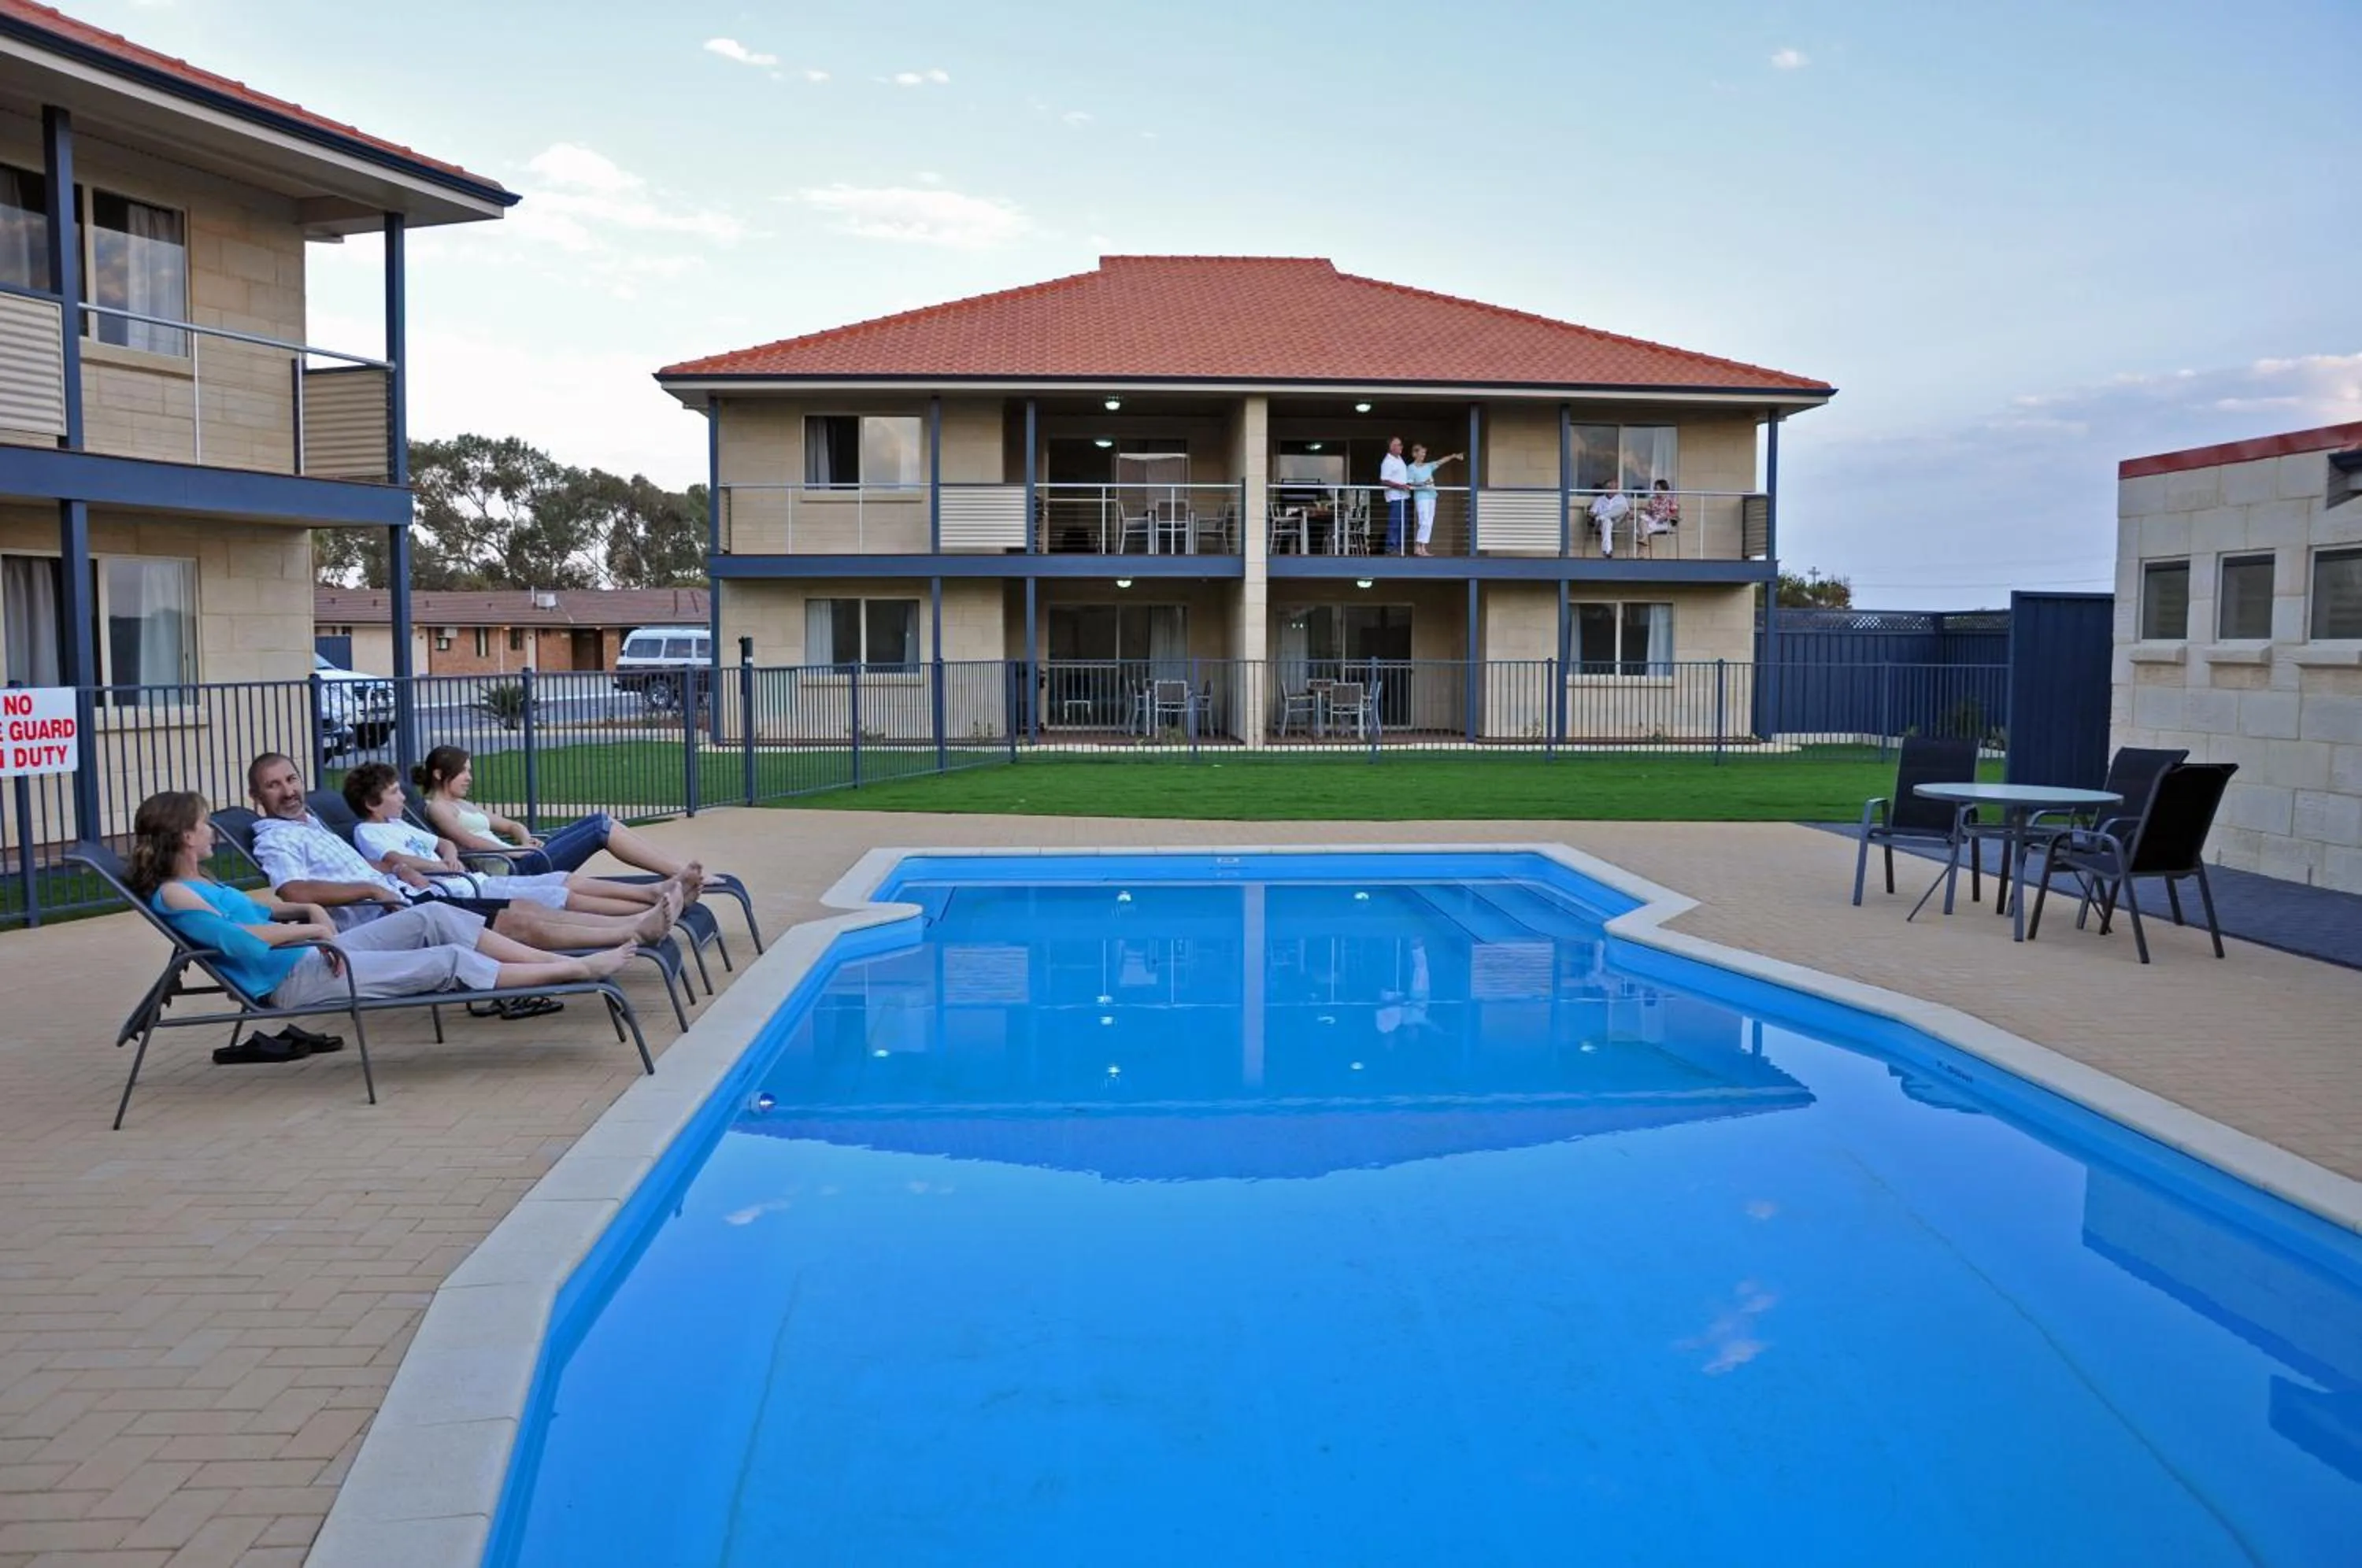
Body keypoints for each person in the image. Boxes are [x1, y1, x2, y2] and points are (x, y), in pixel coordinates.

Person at [128, 790, 632, 1025]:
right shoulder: (175, 893)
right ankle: (579, 969)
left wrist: (312, 919)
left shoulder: (196, 881)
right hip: (293, 978)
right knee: (449, 960)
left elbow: (263, 917)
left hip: (312, 953)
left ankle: (572, 964)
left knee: (436, 916)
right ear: (183, 836)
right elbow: (242, 942)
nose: (212, 831)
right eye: (203, 824)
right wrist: (311, 932)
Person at [243, 753, 679, 950]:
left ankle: (633, 923)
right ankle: (631, 931)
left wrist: (391, 867)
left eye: (292, 779)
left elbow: (362, 865)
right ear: (256, 796)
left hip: (414, 894)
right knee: (518, 920)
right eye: (274, 785)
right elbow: (294, 892)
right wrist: (376, 890)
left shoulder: (308, 823)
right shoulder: (274, 837)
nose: (288, 790)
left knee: (524, 907)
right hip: (388, 915)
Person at [341, 764, 686, 916]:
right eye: (393, 793)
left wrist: (445, 854)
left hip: (487, 873)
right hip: (488, 878)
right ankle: (650, 909)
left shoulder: (400, 824)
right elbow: (395, 862)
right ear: (372, 804)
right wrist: (442, 864)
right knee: (563, 890)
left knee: (568, 878)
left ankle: (655, 893)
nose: (402, 798)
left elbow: (443, 844)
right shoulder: (369, 832)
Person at [412, 745, 702, 885]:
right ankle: (677, 872)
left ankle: (675, 869)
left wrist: (524, 839)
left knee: (600, 819)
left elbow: (513, 824)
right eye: (463, 772)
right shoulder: (437, 808)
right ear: (439, 774)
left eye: (469, 771)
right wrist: (518, 852)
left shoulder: (465, 805)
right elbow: (470, 844)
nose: (469, 778)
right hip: (515, 871)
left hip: (523, 857)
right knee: (600, 828)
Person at [1405, 445, 1463, 558]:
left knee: (1429, 522)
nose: (1423, 455)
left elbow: (1441, 461)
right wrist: (1423, 484)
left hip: (1432, 496)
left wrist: (1453, 456)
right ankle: (1418, 546)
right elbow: (1410, 483)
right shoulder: (1411, 468)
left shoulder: (1428, 466)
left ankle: (1423, 547)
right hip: (1421, 497)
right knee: (1424, 521)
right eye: (1421, 453)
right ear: (1414, 454)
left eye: (1424, 453)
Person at [1378, 436, 1413, 555]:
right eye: (1399, 444)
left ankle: (1399, 548)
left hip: (1404, 496)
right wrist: (1400, 486)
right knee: (1395, 523)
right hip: (1395, 497)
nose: (1401, 447)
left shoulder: (1399, 459)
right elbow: (1384, 480)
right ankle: (1391, 548)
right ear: (1392, 447)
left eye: (1401, 444)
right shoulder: (1387, 461)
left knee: (1405, 524)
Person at [1589, 485, 1631, 557]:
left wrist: (1630, 516)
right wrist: (1591, 515)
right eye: (1609, 488)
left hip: (1617, 523)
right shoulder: (1599, 499)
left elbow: (1627, 512)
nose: (1611, 490)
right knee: (1607, 521)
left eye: (1613, 488)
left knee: (1622, 508)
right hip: (1602, 525)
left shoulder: (1621, 498)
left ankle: (1600, 517)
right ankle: (1608, 551)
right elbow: (1591, 513)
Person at [1641, 479, 1681, 543]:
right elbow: (1648, 513)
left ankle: (1643, 539)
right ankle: (1643, 539)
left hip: (1664, 523)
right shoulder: (1653, 500)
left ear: (1664, 489)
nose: (1657, 491)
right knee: (1643, 519)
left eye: (1659, 489)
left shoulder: (1670, 500)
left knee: (1644, 528)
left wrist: (1666, 516)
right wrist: (1649, 510)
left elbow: (1675, 514)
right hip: (1653, 520)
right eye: (1656, 489)